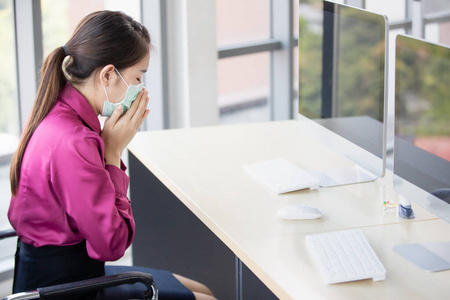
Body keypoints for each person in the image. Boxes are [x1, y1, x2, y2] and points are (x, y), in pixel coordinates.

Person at [8, 10, 215, 300]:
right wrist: (113, 153)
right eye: (137, 77)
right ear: (108, 74)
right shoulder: (74, 141)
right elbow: (112, 244)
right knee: (206, 298)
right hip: (64, 288)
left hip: (54, 273)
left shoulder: (56, 111)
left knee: (200, 290)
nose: (140, 89)